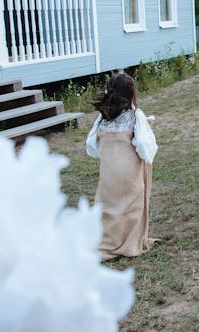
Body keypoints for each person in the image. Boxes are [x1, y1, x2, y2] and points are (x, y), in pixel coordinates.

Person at [86, 73, 158, 260]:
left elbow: (91, 145)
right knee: (132, 204)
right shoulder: (135, 115)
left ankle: (109, 240)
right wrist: (147, 156)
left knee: (109, 205)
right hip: (128, 168)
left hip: (109, 169)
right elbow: (142, 143)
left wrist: (107, 154)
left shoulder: (103, 117)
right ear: (131, 92)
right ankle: (129, 242)